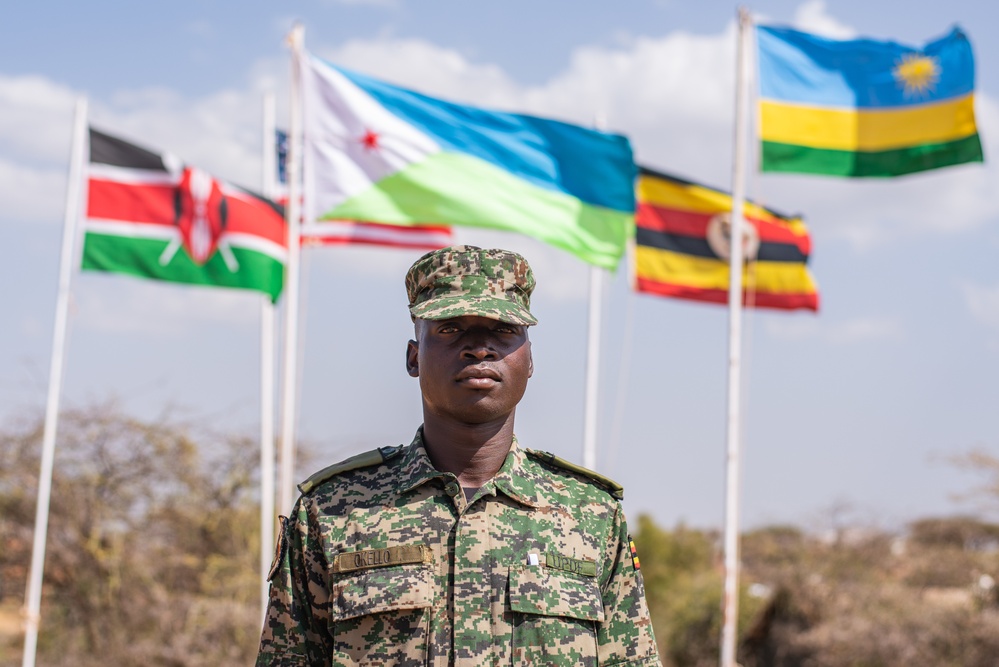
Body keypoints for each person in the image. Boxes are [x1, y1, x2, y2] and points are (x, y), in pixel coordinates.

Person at [257, 245, 661, 666]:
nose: (479, 349)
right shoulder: (333, 511)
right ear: (414, 357)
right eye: (451, 329)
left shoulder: (591, 515)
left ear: (530, 360)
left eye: (504, 330)